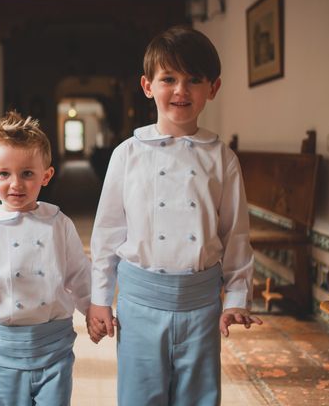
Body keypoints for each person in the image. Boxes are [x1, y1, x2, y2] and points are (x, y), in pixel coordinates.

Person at [86, 26, 262, 406]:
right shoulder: (127, 154)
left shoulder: (221, 157)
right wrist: (100, 298)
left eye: (193, 80)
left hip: (200, 305)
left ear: (212, 88)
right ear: (148, 85)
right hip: (139, 304)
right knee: (139, 396)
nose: (181, 90)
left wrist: (235, 297)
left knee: (198, 396)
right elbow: (108, 234)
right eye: (169, 79)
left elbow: (236, 234)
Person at [0, 111, 91, 405]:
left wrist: (94, 311)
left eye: (27, 173)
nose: (16, 184)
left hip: (55, 344)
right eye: (4, 174)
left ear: (46, 176)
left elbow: (80, 274)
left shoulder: (58, 223)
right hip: (5, 349)